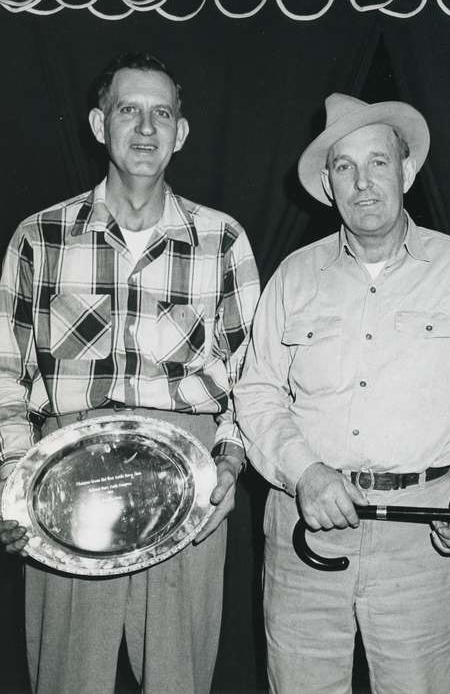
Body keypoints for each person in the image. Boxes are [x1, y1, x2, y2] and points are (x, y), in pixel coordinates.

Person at [234, 92, 450, 694]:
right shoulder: (293, 276)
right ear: (327, 186)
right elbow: (257, 395)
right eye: (345, 167)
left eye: (379, 162)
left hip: (422, 537)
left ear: (407, 171)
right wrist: (306, 474)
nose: (363, 183)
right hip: (304, 530)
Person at [0, 52, 260, 694]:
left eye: (162, 113)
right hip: (67, 482)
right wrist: (14, 477)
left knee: (178, 679)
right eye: (128, 111)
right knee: (68, 678)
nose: (146, 128)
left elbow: (254, 371)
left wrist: (227, 462)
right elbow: (4, 365)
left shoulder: (222, 241)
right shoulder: (41, 238)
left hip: (187, 480)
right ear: (97, 123)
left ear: (182, 131)